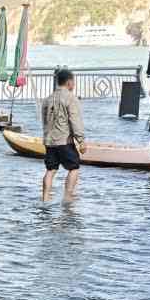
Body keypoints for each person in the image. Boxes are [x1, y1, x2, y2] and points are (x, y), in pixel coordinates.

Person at [40, 68, 85, 203]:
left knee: (50, 169)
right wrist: (81, 140)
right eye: (74, 82)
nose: (74, 85)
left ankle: (45, 197)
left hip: (49, 141)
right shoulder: (71, 98)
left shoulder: (47, 99)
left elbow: (44, 121)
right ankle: (67, 197)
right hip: (64, 140)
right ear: (69, 82)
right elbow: (75, 120)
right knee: (74, 168)